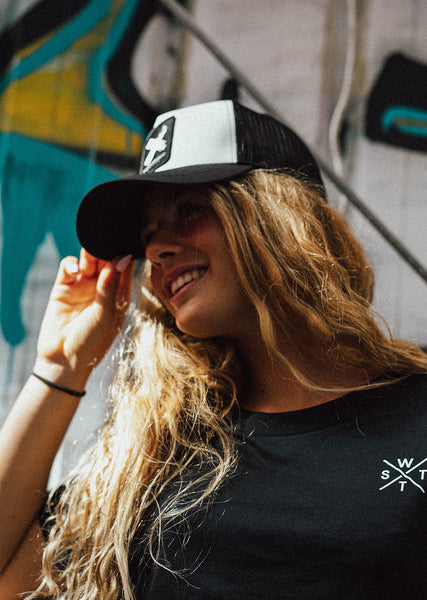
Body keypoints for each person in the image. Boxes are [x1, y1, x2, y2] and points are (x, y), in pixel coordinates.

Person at [0, 100, 426, 600]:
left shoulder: (415, 410)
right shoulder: (158, 453)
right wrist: (60, 368)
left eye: (189, 210)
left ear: (278, 215)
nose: (156, 249)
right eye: (148, 236)